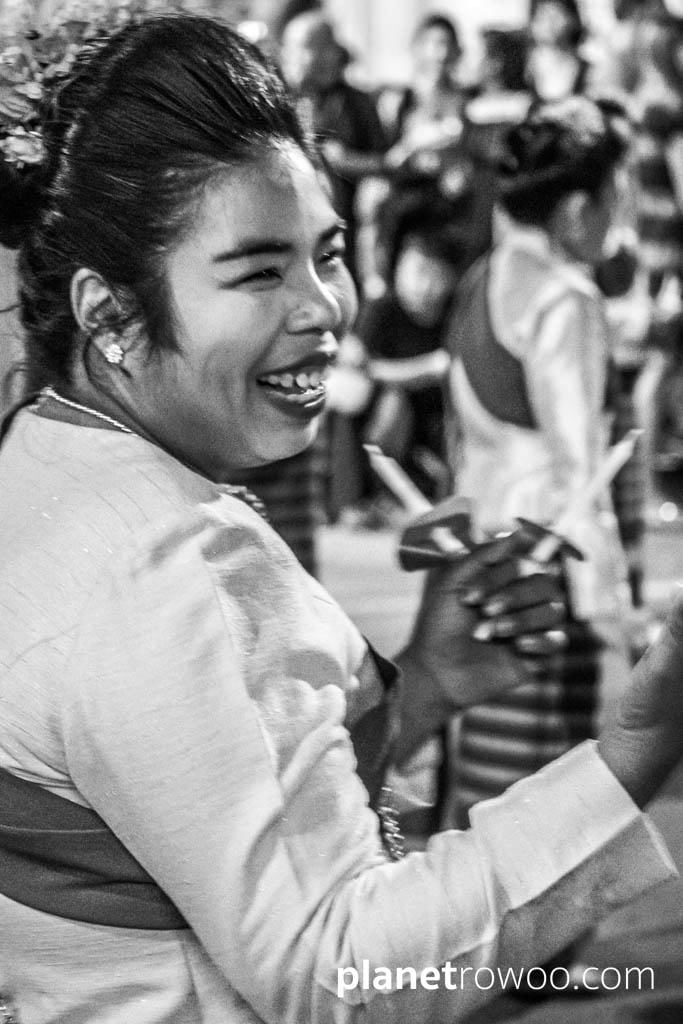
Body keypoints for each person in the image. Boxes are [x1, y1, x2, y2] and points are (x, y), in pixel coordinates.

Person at [0, 16, 680, 1023]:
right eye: (258, 271)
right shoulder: (173, 557)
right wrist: (634, 751)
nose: (324, 307)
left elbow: (189, 798)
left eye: (327, 254)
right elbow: (336, 975)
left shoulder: (40, 456)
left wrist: (421, 687)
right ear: (111, 316)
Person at [445, 96, 634, 823]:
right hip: (548, 567)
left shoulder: (480, 280)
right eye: (615, 200)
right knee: (544, 802)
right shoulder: (564, 299)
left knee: (487, 784)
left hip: (481, 554)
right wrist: (614, 611)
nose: (618, 221)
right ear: (577, 209)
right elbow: (578, 470)